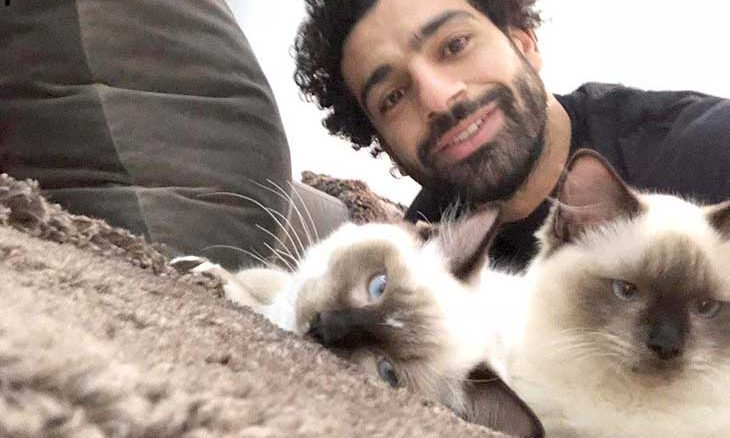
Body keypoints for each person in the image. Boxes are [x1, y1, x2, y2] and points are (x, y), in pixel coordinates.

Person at [292, 0, 730, 268]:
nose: (438, 99)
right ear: (386, 146)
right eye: (392, 97)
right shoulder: (429, 250)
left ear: (524, 43)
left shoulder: (708, 153)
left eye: (454, 45)